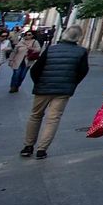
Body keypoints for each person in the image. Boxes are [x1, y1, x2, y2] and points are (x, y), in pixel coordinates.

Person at [20, 25, 89, 160]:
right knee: (53, 119)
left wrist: (39, 83)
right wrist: (71, 84)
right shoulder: (81, 52)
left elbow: (36, 69)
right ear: (78, 38)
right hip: (63, 90)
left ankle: (28, 146)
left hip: (43, 88)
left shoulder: (51, 49)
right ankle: (42, 149)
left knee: (35, 116)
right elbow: (83, 71)